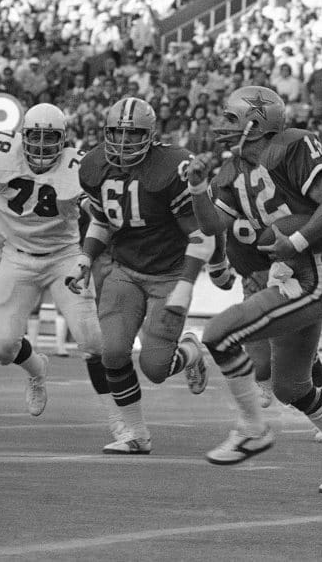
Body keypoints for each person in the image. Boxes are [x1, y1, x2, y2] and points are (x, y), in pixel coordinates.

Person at [185, 85, 322, 494]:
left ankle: (252, 429)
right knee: (291, 387)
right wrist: (195, 189)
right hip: (289, 277)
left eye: (230, 118)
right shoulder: (231, 170)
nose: (221, 125)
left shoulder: (293, 147)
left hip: (311, 276)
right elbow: (211, 227)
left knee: (218, 334)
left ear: (255, 124)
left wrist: (293, 243)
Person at [0, 104, 128, 444]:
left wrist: (97, 224)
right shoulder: (2, 158)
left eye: (49, 137)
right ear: (22, 136)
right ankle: (37, 369)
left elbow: (98, 214)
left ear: (63, 140)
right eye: (34, 136)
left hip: (64, 256)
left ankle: (120, 423)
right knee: (3, 348)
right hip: (17, 257)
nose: (40, 145)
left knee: (93, 341)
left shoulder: (77, 166)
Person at [66, 97, 212, 454]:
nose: (124, 141)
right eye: (117, 132)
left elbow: (200, 233)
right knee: (112, 352)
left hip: (169, 272)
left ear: (150, 135)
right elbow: (102, 219)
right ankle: (135, 433)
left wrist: (195, 278)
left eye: (133, 134)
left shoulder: (172, 168)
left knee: (156, 368)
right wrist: (86, 257)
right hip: (125, 269)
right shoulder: (94, 164)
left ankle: (191, 350)